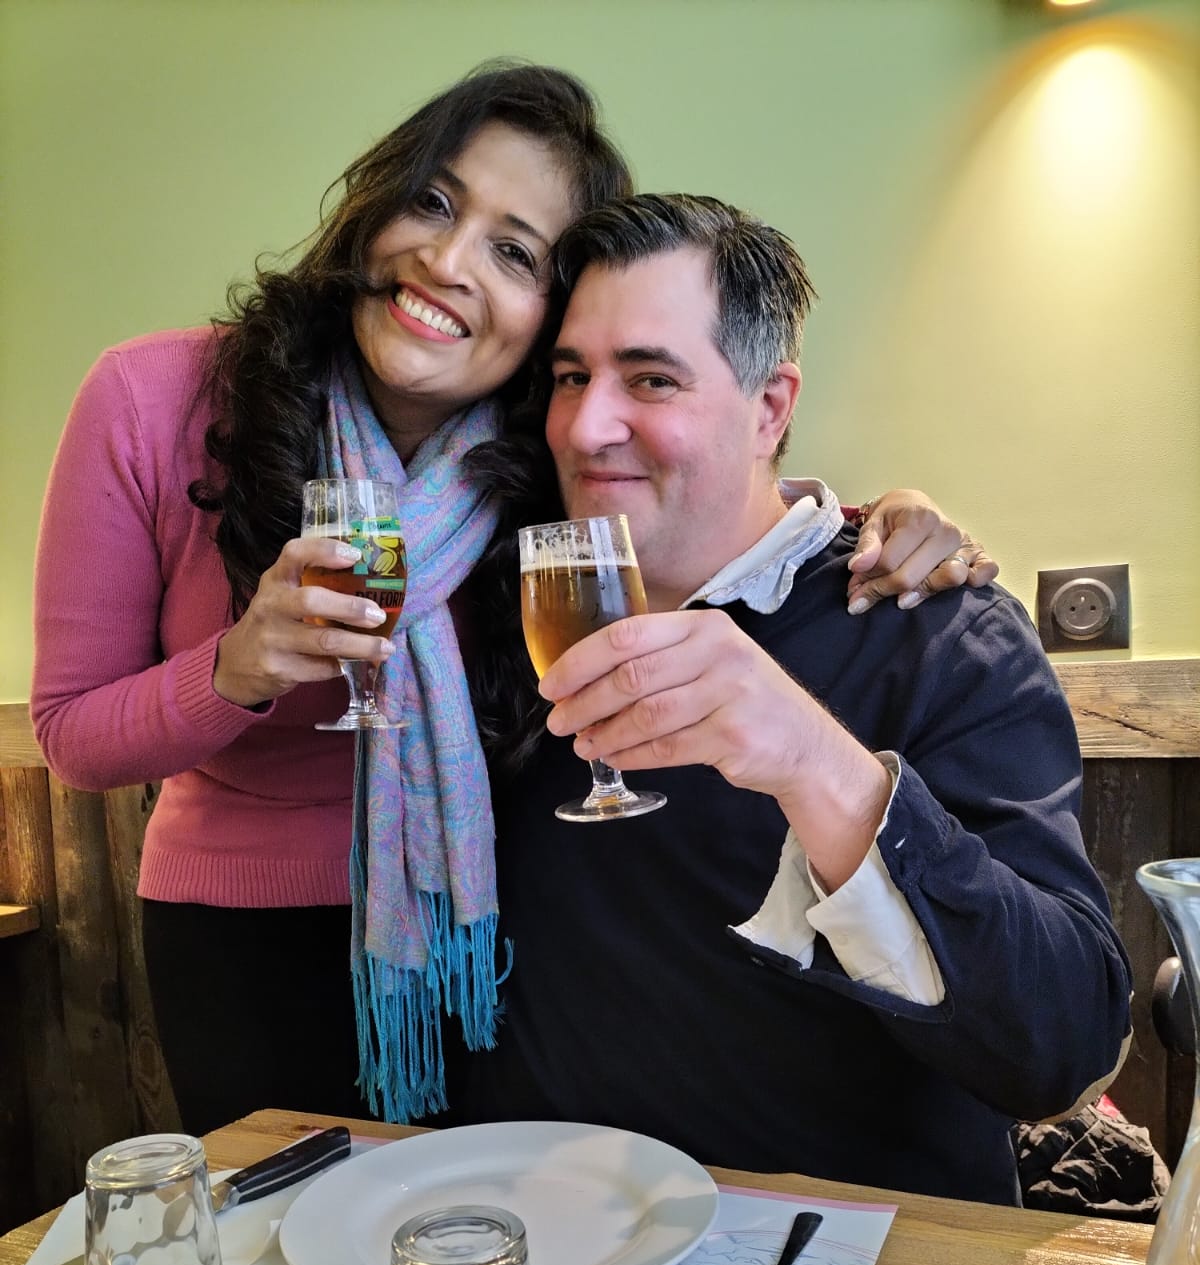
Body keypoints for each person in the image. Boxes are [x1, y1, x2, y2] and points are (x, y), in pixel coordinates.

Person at [30, 63, 994, 1137]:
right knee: (288, 1223)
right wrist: (237, 667)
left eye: (516, 252)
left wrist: (884, 519)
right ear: (374, 206)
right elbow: (71, 733)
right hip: (240, 934)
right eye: (433, 202)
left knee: (478, 1218)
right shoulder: (156, 399)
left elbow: (708, 494)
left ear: (549, 315)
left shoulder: (543, 449)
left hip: (486, 922)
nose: (447, 263)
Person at [442, 193, 1133, 1205]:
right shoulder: (505, 615)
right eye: (571, 377)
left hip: (836, 1259)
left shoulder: (937, 630)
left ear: (770, 407)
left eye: (651, 378)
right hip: (537, 1233)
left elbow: (1066, 1045)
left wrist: (819, 766)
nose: (586, 426)